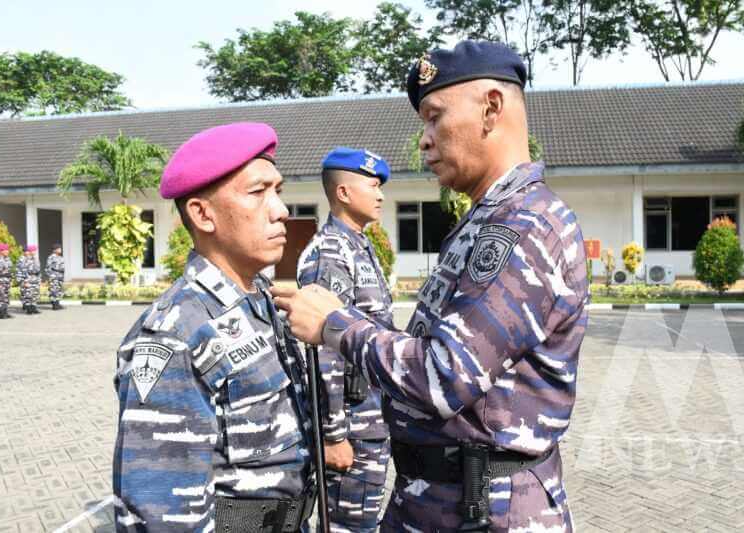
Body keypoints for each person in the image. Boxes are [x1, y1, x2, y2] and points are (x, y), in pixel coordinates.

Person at [272, 40, 589, 532]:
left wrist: (334, 324)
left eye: (434, 116)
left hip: (488, 509)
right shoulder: (485, 222)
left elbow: (443, 375)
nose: (424, 139)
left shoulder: (524, 226)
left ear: (491, 109)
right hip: (442, 498)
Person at [112, 122, 316, 532]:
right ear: (203, 215)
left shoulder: (261, 300)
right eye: (258, 193)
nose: (280, 210)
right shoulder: (175, 335)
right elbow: (163, 512)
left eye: (278, 191)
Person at [297, 147, 393, 533]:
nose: (381, 194)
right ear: (344, 193)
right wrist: (333, 435)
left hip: (371, 419)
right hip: (351, 427)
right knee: (348, 527)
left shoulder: (359, 246)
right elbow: (323, 349)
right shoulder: (331, 253)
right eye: (373, 185)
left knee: (363, 524)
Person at [16, 245, 41, 314]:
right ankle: (29, 309)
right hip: (28, 278)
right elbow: (22, 271)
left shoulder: (36, 259)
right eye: (32, 251)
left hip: (35, 279)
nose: (34, 252)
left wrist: (39, 279)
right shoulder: (25, 259)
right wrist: (24, 281)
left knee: (35, 294)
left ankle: (34, 307)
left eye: (34, 251)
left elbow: (38, 271)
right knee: (28, 294)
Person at [0, 244, 13, 319]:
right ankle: (2, 313)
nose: (7, 252)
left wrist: (11, 280)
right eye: (6, 250)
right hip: (0, 281)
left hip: (7, 281)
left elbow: (9, 270)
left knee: (6, 297)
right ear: (2, 251)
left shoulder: (7, 259)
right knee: (1, 297)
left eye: (7, 250)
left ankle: (5, 311)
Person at [46, 243, 65, 310]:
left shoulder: (60, 257)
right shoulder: (51, 257)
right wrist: (51, 276)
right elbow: (48, 268)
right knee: (53, 290)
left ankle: (57, 303)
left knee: (59, 290)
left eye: (60, 248)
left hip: (60, 276)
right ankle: (54, 305)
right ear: (55, 250)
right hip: (54, 276)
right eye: (59, 248)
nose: (60, 250)